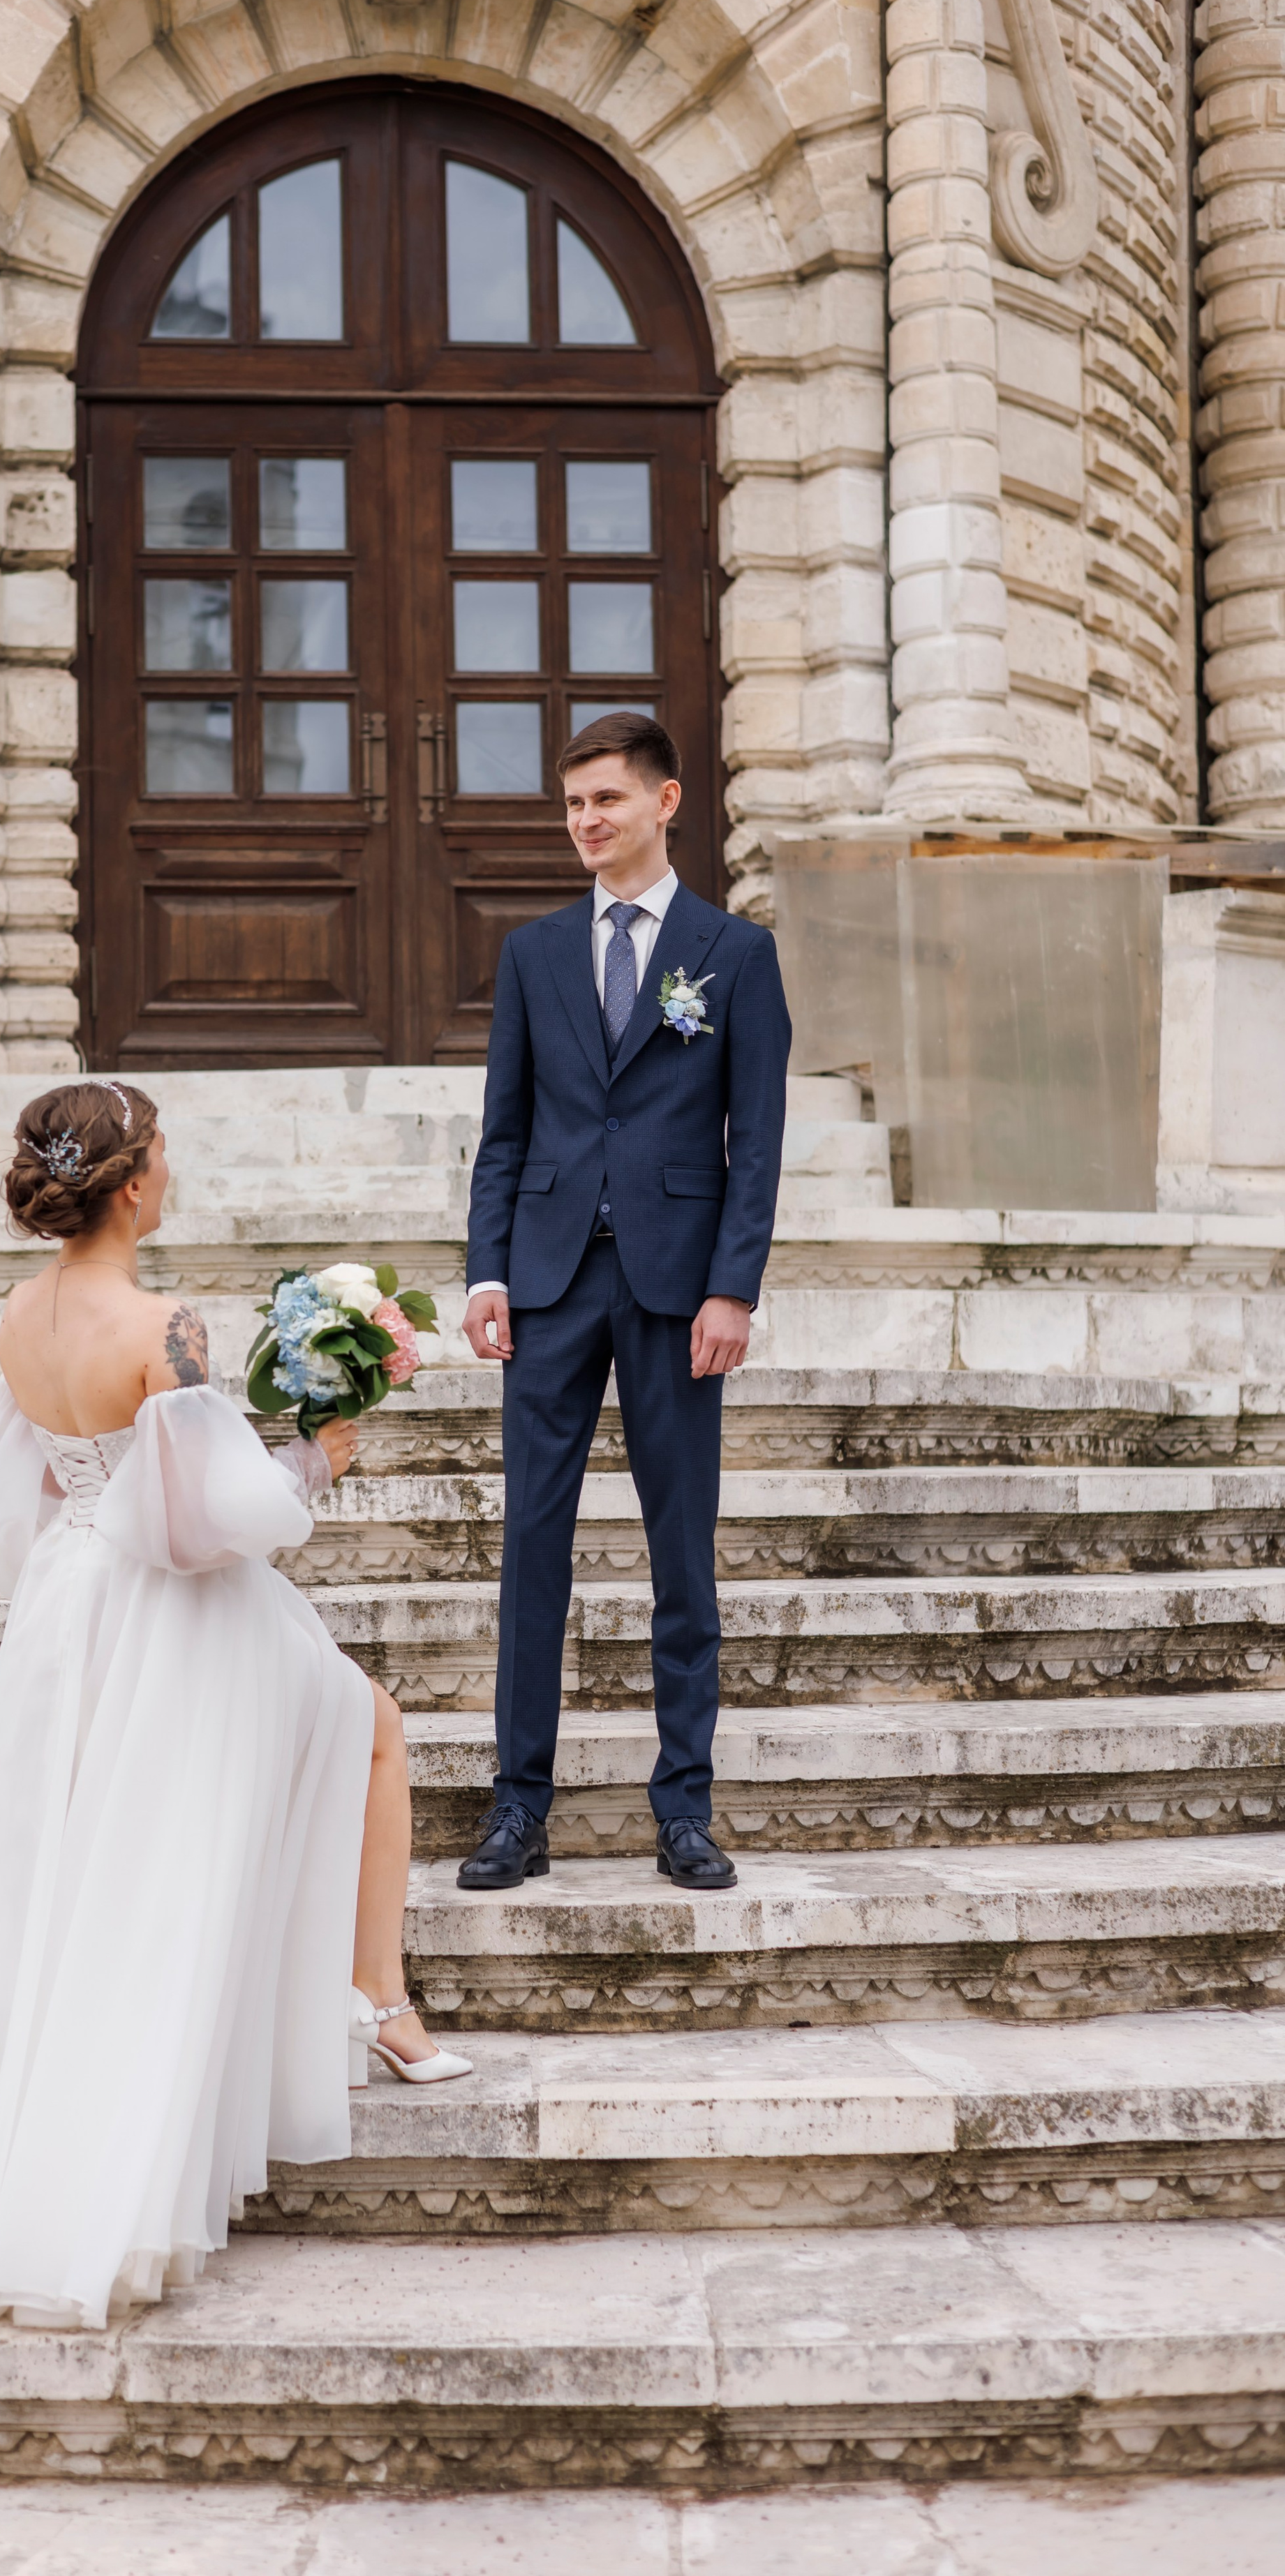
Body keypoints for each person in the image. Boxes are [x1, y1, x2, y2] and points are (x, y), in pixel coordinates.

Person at [0, 1077, 467, 2336]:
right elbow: (203, 1525)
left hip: (68, 1604)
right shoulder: (163, 1327)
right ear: (131, 1187)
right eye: (161, 1155)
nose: (168, 1173)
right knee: (360, 1730)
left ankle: (353, 2011)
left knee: (88, 1869)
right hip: (171, 1613)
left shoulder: (19, 1313)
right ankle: (379, 2007)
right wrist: (310, 1461)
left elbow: (34, 1484)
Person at [458, 710, 791, 1894]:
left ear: (666, 801)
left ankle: (685, 1809)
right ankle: (518, 1806)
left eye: (606, 799)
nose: (585, 822)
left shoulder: (733, 955)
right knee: (532, 1550)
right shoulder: (535, 953)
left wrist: (731, 1289)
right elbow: (505, 1130)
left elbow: (755, 1145)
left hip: (673, 1289)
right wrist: (487, 1270)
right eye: (572, 804)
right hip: (547, 1283)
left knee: (680, 1556)